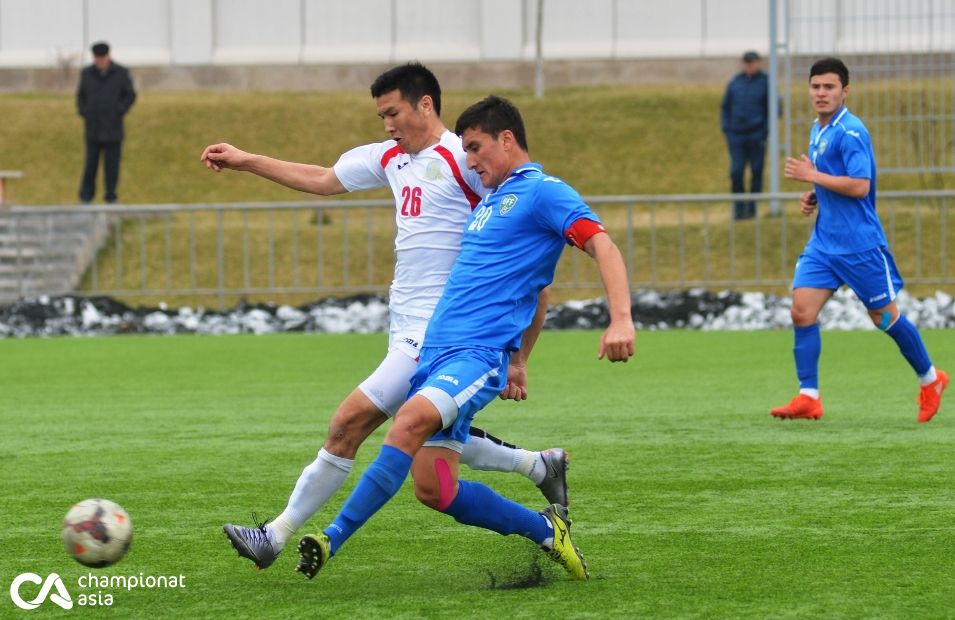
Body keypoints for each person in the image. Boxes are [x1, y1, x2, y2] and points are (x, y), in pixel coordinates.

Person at [200, 63, 570, 570]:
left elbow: (520, 234)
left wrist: (519, 348)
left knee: (349, 422)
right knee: (426, 455)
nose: (387, 124)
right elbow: (324, 179)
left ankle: (276, 534)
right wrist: (246, 160)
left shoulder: (466, 160)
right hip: (405, 329)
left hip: (442, 332)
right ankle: (538, 464)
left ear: (425, 105)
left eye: (393, 112)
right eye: (380, 115)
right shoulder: (390, 158)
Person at [296, 95, 636, 583]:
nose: (469, 161)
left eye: (475, 148)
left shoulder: (544, 192)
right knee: (434, 489)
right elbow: (537, 291)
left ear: (507, 139)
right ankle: (544, 529)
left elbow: (602, 244)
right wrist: (522, 361)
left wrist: (620, 318)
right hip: (434, 354)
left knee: (406, 425)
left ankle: (331, 539)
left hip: (474, 356)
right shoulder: (489, 202)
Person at [773, 57, 948, 422]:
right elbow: (832, 178)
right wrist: (815, 195)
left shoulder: (851, 131)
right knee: (801, 311)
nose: (821, 93)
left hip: (860, 246)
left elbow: (859, 185)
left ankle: (931, 379)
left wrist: (812, 177)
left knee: (885, 319)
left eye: (829, 87)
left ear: (845, 91)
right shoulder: (817, 129)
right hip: (824, 244)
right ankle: (809, 396)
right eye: (816, 86)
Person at [76, 41, 136, 204]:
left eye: (103, 58)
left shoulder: (121, 73)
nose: (100, 61)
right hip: (93, 129)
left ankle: (110, 196)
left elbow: (130, 95)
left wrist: (119, 110)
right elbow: (81, 96)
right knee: (90, 165)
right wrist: (85, 112)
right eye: (97, 58)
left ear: (108, 56)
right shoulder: (87, 74)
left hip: (113, 128)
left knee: (112, 166)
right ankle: (86, 196)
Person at [721, 50, 769, 220]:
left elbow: (773, 108)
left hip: (757, 135)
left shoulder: (766, 83)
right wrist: (727, 129)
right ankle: (738, 208)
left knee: (756, 171)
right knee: (736, 171)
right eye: (747, 62)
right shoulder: (735, 83)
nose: (749, 66)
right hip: (737, 135)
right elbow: (725, 107)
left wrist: (764, 131)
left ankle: (752, 207)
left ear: (758, 63)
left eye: (752, 62)